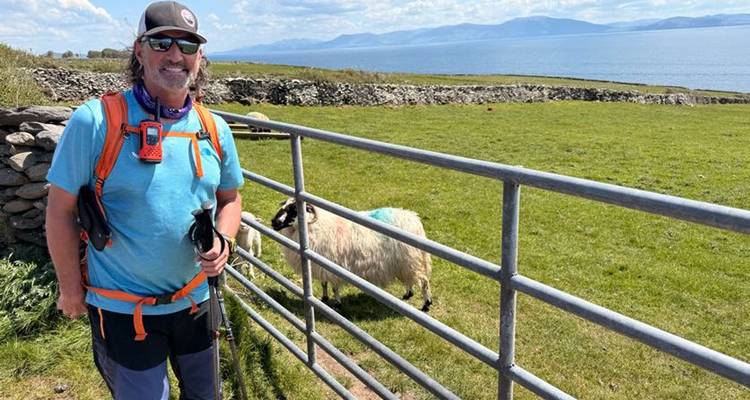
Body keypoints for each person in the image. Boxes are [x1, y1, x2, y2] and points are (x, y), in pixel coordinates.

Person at [45, 2, 243, 399]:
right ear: (139, 50)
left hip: (196, 301)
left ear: (199, 56)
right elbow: (59, 211)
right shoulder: (96, 121)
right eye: (162, 42)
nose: (175, 55)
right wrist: (70, 288)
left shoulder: (213, 128)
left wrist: (223, 240)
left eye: (187, 45)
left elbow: (230, 199)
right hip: (123, 310)